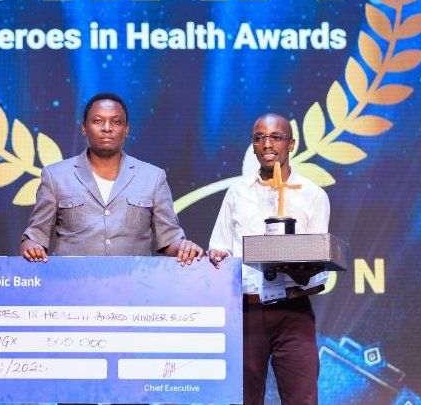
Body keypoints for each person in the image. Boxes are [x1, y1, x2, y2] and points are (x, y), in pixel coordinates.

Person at [208, 113, 329, 405]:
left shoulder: (313, 195)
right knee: (243, 399)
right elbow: (219, 246)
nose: (267, 144)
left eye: (276, 137)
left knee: (302, 398)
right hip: (246, 311)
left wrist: (302, 270)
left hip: (293, 310)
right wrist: (218, 256)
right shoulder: (237, 193)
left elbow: (319, 262)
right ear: (252, 146)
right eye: (259, 138)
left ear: (292, 144)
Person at [20, 92, 204, 263]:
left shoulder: (153, 177)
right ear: (84, 128)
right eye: (97, 121)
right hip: (72, 284)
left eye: (116, 122)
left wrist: (183, 247)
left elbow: (170, 239)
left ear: (126, 129)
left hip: (134, 284)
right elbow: (34, 237)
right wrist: (31, 247)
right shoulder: (56, 176)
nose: (107, 128)